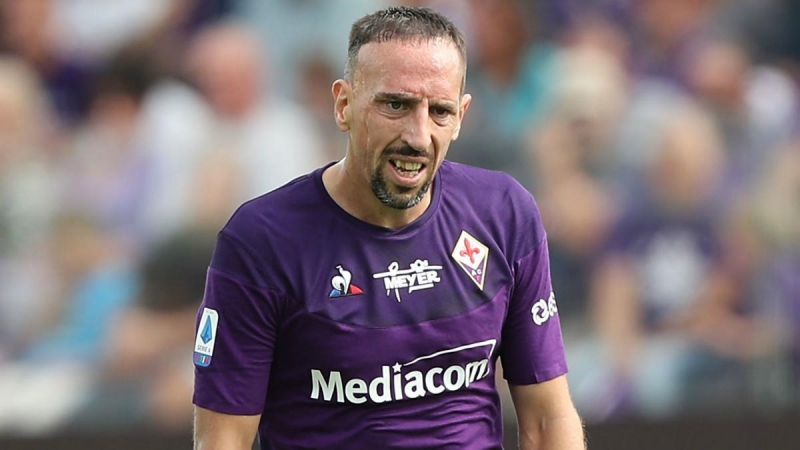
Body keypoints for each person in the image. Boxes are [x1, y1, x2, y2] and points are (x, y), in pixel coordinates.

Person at [192, 6, 585, 449]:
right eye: (396, 105)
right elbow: (223, 440)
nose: (417, 136)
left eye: (440, 111)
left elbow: (548, 419)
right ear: (343, 105)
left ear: (461, 116)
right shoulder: (262, 241)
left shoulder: (504, 214)